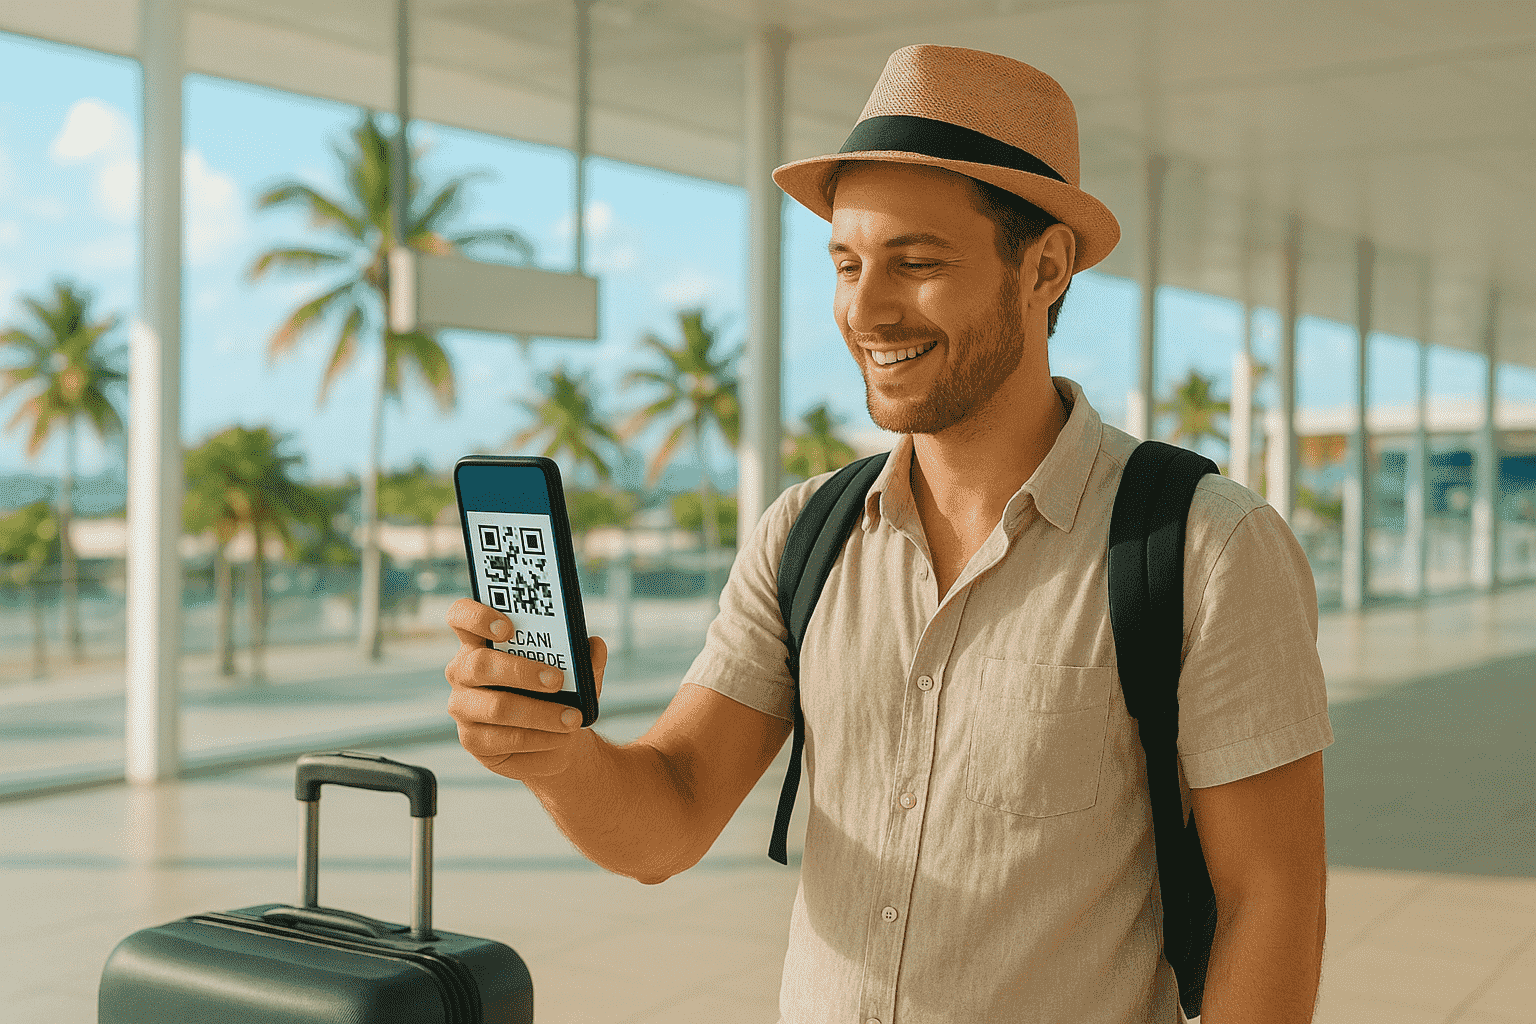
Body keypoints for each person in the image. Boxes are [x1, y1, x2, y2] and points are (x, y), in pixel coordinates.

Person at [447, 44, 1332, 1024]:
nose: (865, 309)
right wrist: (552, 753)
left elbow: (1271, 899)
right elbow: (672, 814)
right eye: (847, 263)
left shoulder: (1208, 546)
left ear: (1044, 268)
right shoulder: (805, 533)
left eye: (916, 263)